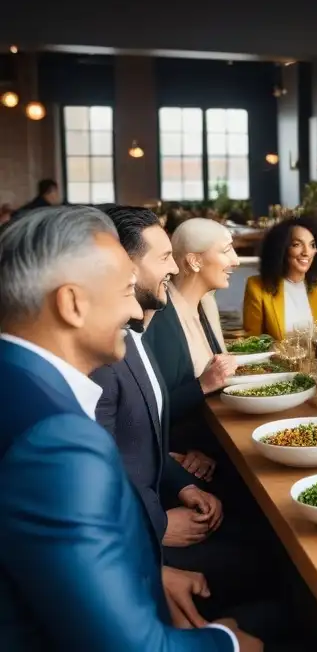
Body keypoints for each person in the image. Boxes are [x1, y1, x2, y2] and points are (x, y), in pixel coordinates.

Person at [0, 206, 257, 650]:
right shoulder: (56, 441)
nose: (132, 306)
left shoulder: (18, 380)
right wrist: (227, 643)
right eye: (123, 291)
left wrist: (153, 573)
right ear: (72, 303)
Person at [91, 206, 225, 557]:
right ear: (125, 267)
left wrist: (185, 488)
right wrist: (158, 526)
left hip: (166, 499)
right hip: (136, 539)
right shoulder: (102, 356)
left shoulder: (135, 335)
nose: (174, 267)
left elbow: (143, 445)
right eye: (165, 257)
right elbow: (98, 475)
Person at [145, 218, 238, 430]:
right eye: (226, 250)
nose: (236, 260)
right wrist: (203, 384)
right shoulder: (159, 318)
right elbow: (149, 408)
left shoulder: (204, 304)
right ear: (194, 261)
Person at [243, 216, 317, 339]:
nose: (306, 252)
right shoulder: (257, 287)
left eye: (312, 245)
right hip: (276, 358)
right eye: (297, 244)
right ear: (281, 248)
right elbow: (252, 342)